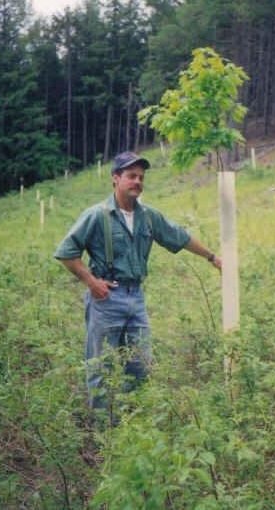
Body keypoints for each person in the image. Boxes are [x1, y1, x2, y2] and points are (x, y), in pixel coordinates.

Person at [54, 151, 221, 412]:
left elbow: (180, 237)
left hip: (136, 298)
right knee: (101, 367)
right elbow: (66, 252)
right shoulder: (97, 215)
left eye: (141, 177)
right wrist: (91, 282)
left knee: (140, 365)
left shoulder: (149, 216)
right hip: (106, 298)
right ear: (115, 179)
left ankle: (136, 422)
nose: (137, 182)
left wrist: (212, 257)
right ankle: (104, 434)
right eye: (131, 176)